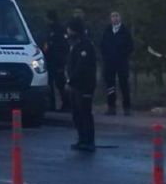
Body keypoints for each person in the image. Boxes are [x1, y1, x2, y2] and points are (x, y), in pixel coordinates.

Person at [65, 18, 97, 152]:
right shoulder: (75, 44)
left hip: (84, 85)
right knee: (77, 114)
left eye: (69, 29)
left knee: (85, 113)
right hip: (75, 86)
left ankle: (89, 141)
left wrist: (70, 80)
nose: (67, 32)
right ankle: (81, 139)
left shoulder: (86, 45)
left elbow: (81, 67)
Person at [100, 11, 134, 116]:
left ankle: (127, 108)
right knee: (110, 85)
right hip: (109, 62)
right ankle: (111, 107)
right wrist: (106, 55)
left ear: (120, 18)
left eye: (116, 16)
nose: (114, 18)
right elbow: (102, 44)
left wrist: (123, 54)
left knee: (124, 84)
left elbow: (130, 46)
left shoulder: (125, 31)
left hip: (121, 62)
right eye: (112, 16)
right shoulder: (107, 31)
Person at [43, 10, 70, 112]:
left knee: (60, 83)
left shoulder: (60, 29)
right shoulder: (49, 29)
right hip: (49, 61)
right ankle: (51, 104)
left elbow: (63, 46)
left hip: (58, 61)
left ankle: (67, 104)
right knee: (50, 84)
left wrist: (61, 60)